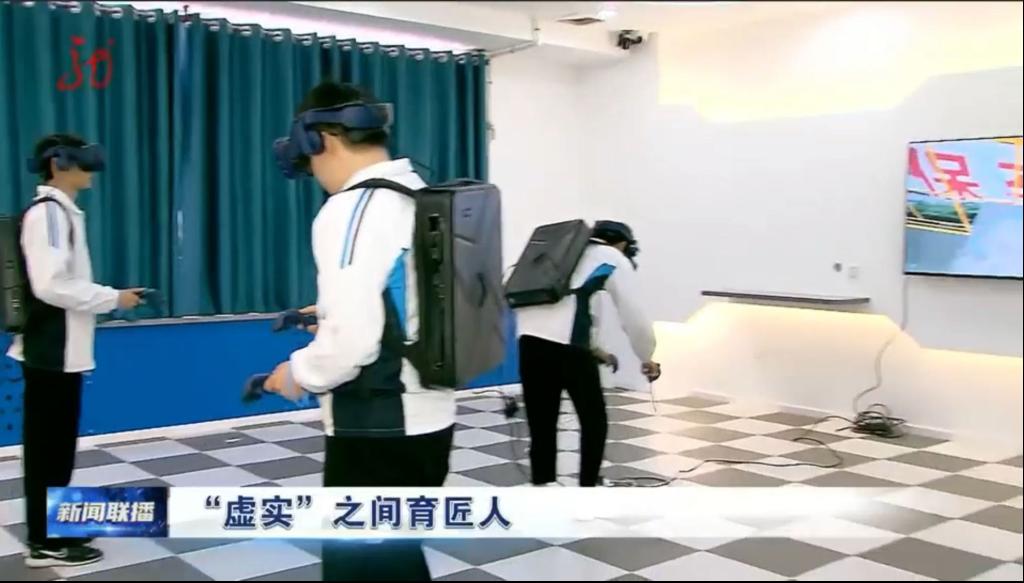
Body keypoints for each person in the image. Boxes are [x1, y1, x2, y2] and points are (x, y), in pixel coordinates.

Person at [263, 81, 454, 582]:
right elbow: (403, 298)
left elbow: (351, 345)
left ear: (321, 140)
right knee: (397, 559)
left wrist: (297, 372)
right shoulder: (417, 192)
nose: (314, 174)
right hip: (428, 417)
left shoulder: (354, 207)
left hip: (378, 424)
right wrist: (331, 311)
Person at [7, 133, 144, 568]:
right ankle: (44, 543)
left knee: (57, 448)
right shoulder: (48, 214)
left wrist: (110, 297)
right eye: (83, 163)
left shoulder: (61, 212)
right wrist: (112, 298)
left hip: (60, 351)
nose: (91, 172)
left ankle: (55, 528)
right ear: (59, 165)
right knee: (48, 450)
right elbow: (51, 285)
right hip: (51, 350)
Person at [514, 220, 657, 487]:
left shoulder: (560, 251)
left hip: (529, 345)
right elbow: (633, 316)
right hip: (570, 351)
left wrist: (595, 349)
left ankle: (543, 486)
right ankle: (588, 486)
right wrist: (646, 355)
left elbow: (570, 305)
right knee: (594, 421)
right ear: (622, 243)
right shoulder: (611, 257)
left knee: (541, 425)